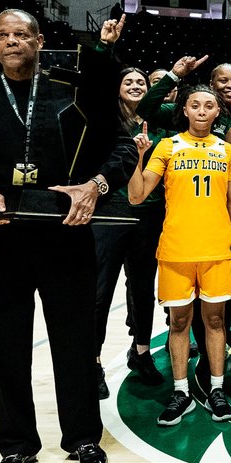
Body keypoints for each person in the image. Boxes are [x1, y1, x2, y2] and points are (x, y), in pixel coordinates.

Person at [0, 9, 134, 463]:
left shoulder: (72, 93)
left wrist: (94, 184)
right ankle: (16, 445)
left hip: (65, 232)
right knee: (3, 341)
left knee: (73, 337)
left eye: (22, 34)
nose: (13, 42)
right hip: (2, 236)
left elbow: (123, 149)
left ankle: (83, 437)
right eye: (3, 35)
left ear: (40, 41)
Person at [128, 85, 231, 427]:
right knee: (179, 323)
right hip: (177, 249)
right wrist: (138, 156)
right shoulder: (167, 145)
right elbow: (136, 196)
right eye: (196, 105)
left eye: (209, 106)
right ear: (186, 110)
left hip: (218, 250)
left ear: (218, 112)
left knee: (216, 321)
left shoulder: (226, 149)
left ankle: (217, 389)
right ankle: (181, 392)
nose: (202, 111)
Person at [92, 67, 166, 397]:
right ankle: (92, 361)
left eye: (141, 82)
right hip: (108, 215)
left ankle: (141, 352)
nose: (136, 86)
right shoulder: (105, 121)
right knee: (100, 290)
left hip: (147, 216)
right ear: (117, 88)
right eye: (129, 82)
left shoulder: (159, 123)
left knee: (141, 288)